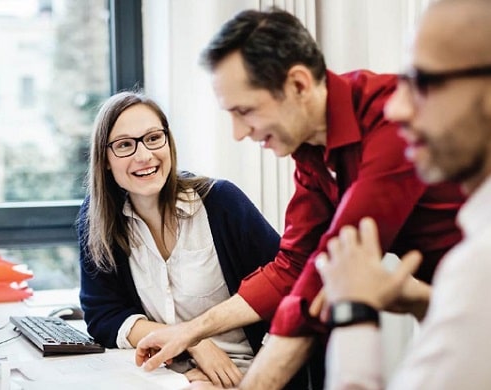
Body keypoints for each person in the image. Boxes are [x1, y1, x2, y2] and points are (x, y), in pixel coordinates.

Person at [135, 8, 466, 389]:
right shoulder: (312, 152)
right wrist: (190, 332)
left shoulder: (390, 119)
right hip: (452, 308)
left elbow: (323, 273)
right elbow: (292, 266)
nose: (239, 132)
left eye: (245, 111)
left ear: (298, 85)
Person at [314, 0, 491, 388]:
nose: (395, 108)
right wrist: (430, 302)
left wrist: (353, 310)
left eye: (423, 82)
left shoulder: (479, 267)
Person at [76, 91, 282, 387]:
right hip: (169, 372)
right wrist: (191, 340)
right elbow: (102, 315)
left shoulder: (222, 203)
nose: (144, 155)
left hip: (247, 371)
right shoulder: (96, 219)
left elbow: (285, 288)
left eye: (153, 138)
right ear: (105, 160)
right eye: (124, 145)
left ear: (168, 142)